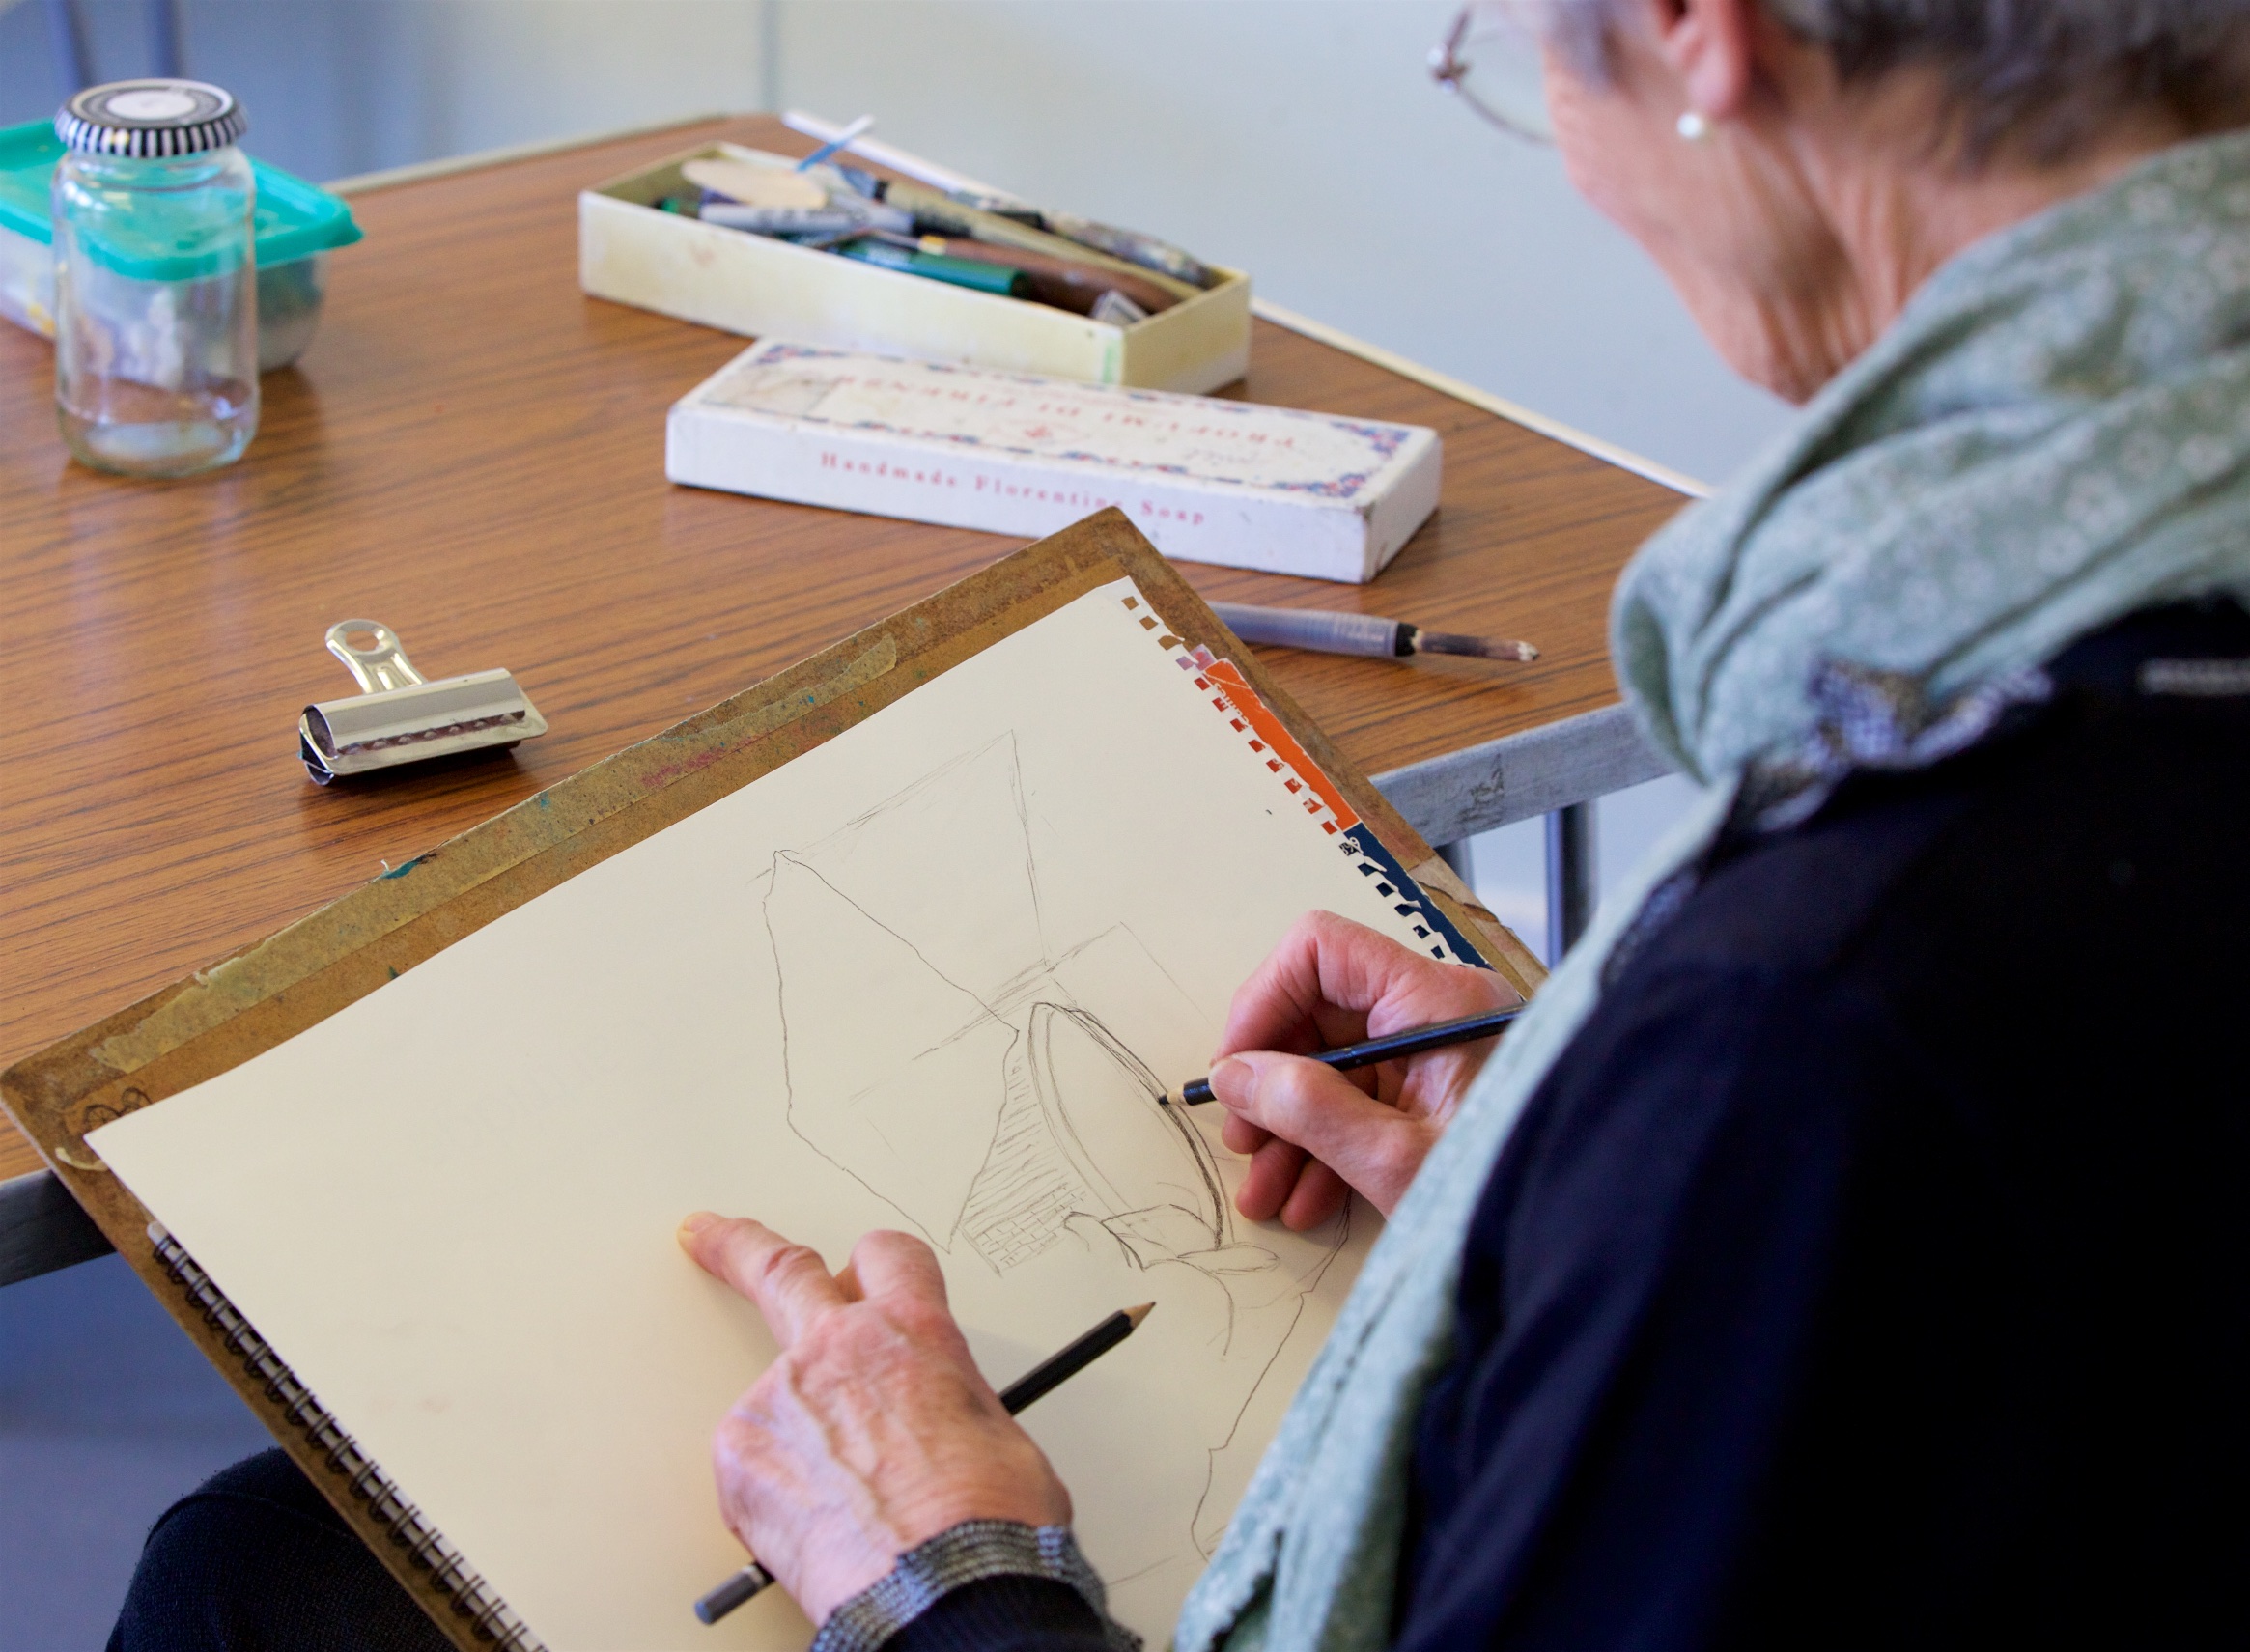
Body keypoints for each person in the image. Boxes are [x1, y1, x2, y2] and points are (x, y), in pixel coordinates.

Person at [112, 1, 2250, 1648]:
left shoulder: (1826, 1011)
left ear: (1704, 32)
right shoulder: (2089, 682)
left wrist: (941, 1570)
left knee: (251, 1586)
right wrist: (1585, 1172)